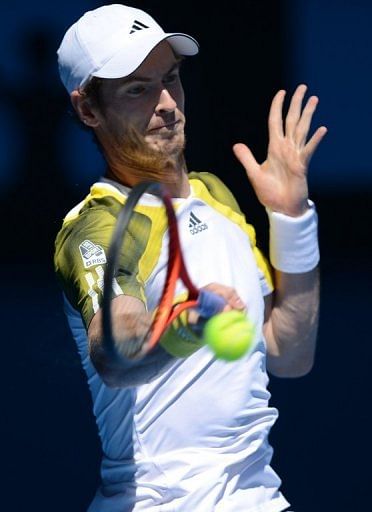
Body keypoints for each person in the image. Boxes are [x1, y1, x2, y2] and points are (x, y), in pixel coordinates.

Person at [54, 4, 326, 511]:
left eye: (171, 79)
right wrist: (184, 326)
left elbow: (289, 353)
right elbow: (115, 351)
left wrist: (293, 221)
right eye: (137, 89)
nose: (166, 103)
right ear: (88, 110)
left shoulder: (216, 196)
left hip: (259, 497)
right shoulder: (98, 226)